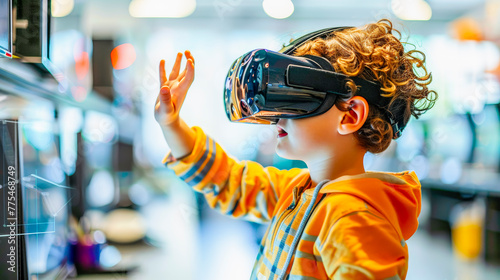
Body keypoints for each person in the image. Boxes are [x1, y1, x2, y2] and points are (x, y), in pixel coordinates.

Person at [154, 19, 436, 280]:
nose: (276, 116)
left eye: (296, 100)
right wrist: (171, 124)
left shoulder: (356, 219)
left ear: (349, 115)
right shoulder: (300, 190)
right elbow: (229, 181)